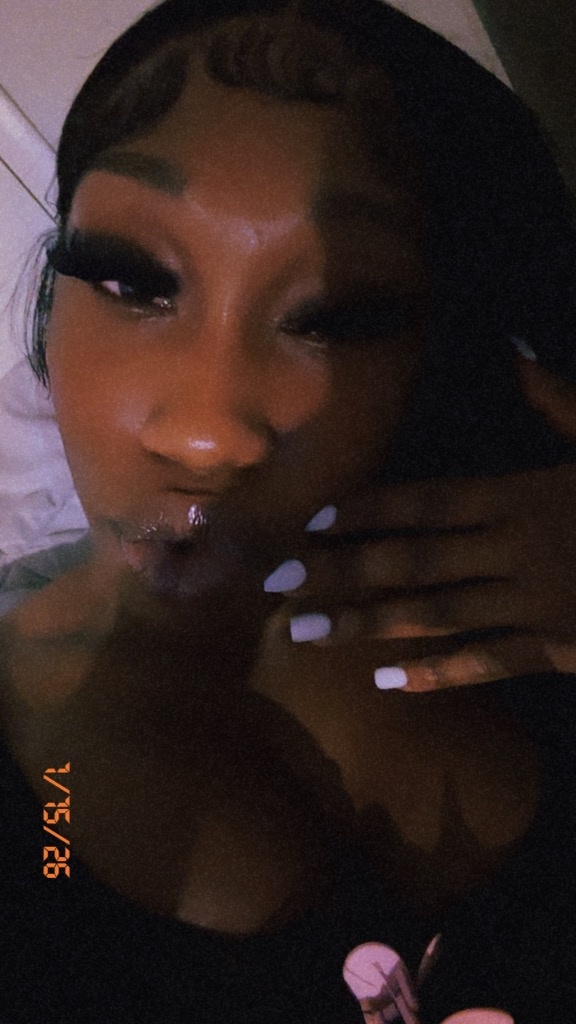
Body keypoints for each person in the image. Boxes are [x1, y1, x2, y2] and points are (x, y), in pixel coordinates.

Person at [1, 1, 576, 1021]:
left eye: (334, 316)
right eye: (130, 279)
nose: (207, 435)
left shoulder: (538, 545)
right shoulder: (40, 803)